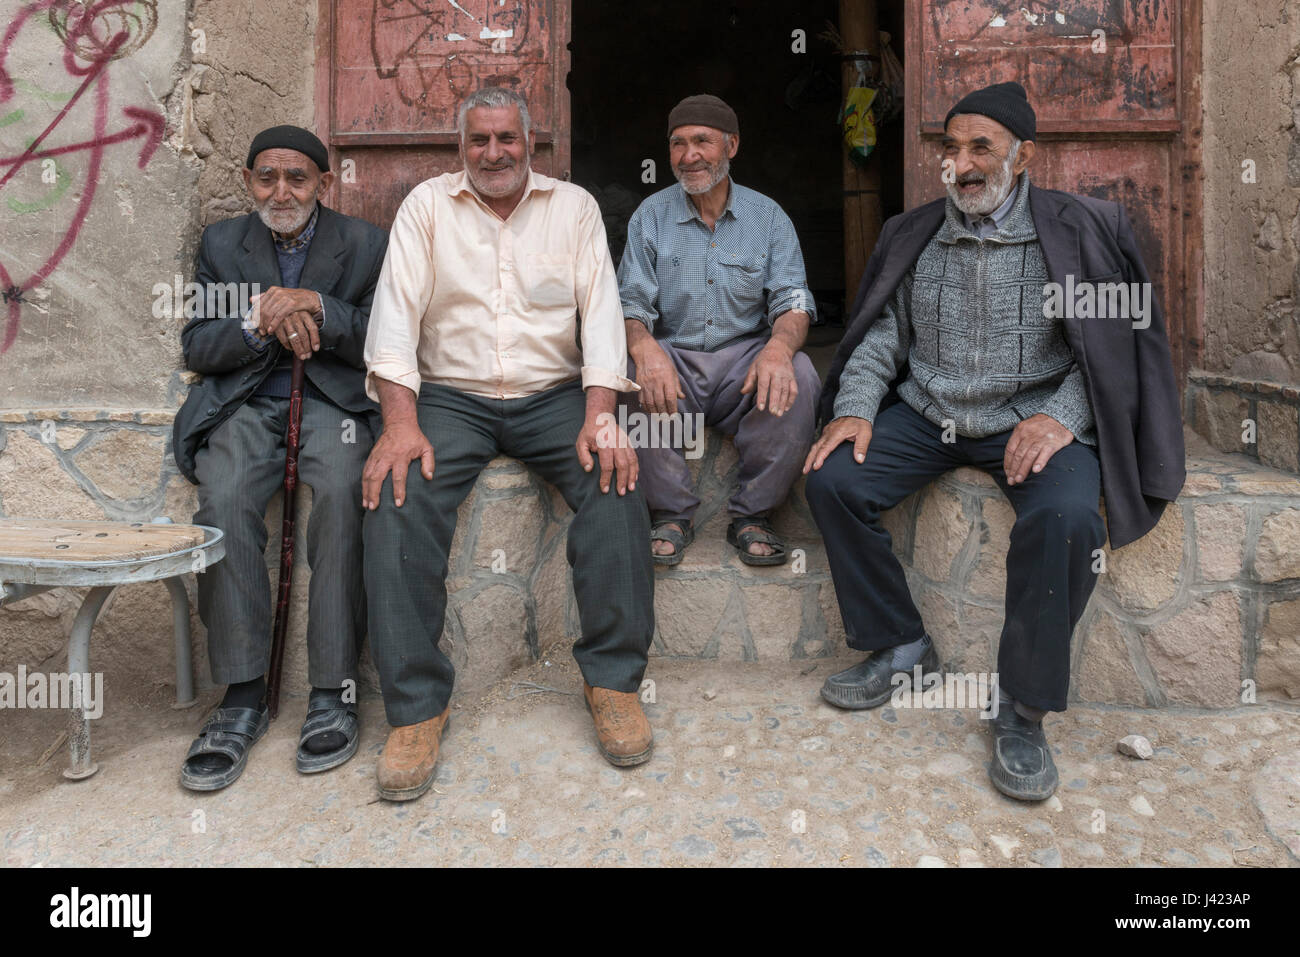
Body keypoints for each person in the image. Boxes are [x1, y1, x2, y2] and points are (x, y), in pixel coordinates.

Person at [804, 82, 1185, 801]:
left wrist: (1063, 417)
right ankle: (904, 645)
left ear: (1023, 153)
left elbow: (1105, 350)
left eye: (982, 145)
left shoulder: (1076, 230)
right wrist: (855, 407)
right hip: (929, 411)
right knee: (832, 477)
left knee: (1068, 517)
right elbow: (883, 334)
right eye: (952, 147)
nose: (964, 162)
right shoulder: (914, 232)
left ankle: (1022, 708)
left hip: (1031, 417)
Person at [361, 87, 656, 802]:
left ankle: (613, 682)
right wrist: (401, 421)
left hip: (552, 396)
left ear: (532, 144)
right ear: (460, 147)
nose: (494, 153)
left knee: (615, 481)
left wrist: (601, 412)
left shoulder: (574, 208)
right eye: (480, 141)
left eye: (507, 140)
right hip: (451, 396)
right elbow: (395, 314)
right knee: (399, 493)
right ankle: (416, 708)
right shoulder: (427, 207)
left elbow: (602, 312)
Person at [173, 125, 388, 790]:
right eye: (267, 177)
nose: (282, 190)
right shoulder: (222, 243)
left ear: (323, 183)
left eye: (298, 177)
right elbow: (198, 346)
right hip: (246, 401)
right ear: (248, 182)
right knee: (226, 498)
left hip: (330, 400)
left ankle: (332, 689)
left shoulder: (364, 243)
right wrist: (257, 320)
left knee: (343, 489)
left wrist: (316, 308)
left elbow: (384, 338)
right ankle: (242, 693)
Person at [618, 94, 820, 567]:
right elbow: (631, 301)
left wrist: (779, 347)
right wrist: (643, 346)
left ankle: (752, 515)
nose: (689, 156)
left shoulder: (767, 217)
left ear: (731, 145)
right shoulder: (650, 216)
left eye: (702, 141)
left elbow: (792, 300)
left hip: (743, 364)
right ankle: (670, 513)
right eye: (678, 144)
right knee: (625, 371)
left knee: (803, 373)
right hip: (676, 363)